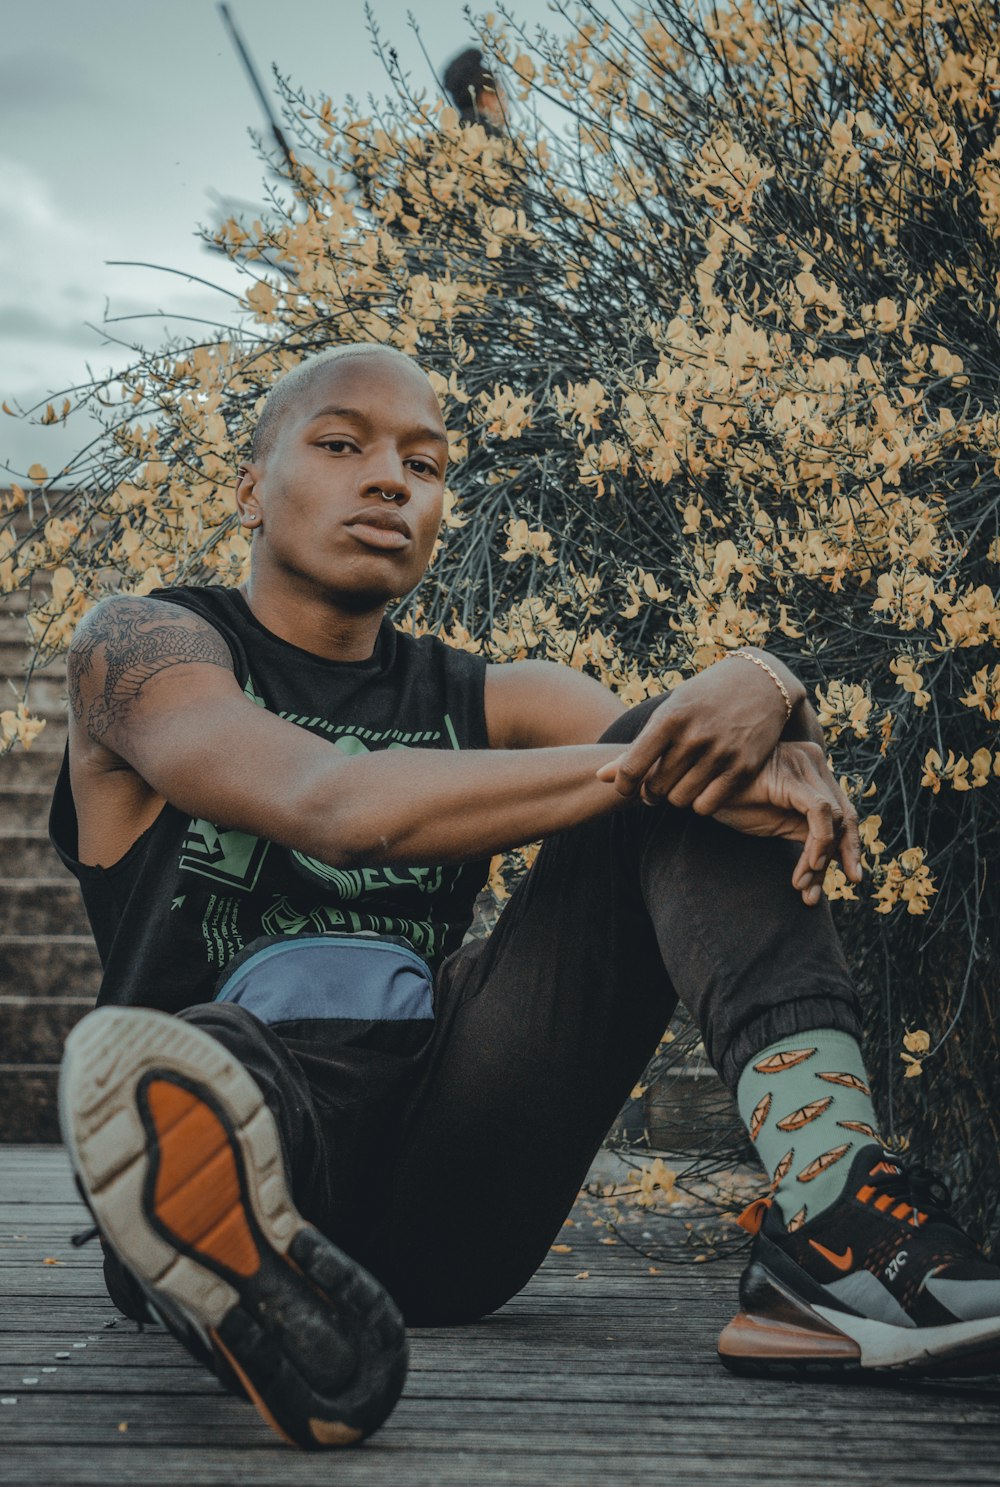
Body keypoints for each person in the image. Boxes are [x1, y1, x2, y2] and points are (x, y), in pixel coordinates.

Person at [53, 343, 1000, 1452]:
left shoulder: (498, 697)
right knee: (209, 1052)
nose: (391, 478)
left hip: (454, 1179)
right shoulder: (141, 646)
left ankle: (839, 1220)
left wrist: (763, 686)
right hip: (247, 1124)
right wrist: (676, 739)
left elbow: (690, 781)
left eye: (425, 461)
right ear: (250, 486)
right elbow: (331, 801)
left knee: (685, 777)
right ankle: (215, 1239)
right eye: (341, 443)